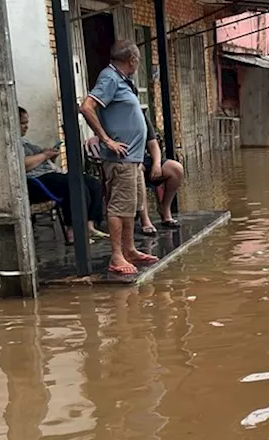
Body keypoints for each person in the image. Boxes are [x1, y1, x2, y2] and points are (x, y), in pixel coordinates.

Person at [79, 39, 157, 276]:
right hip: (120, 159)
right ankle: (116, 256)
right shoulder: (110, 78)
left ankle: (130, 249)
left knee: (131, 206)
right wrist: (106, 139)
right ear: (132, 60)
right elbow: (86, 107)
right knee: (119, 207)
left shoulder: (122, 81)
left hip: (131, 158)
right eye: (138, 61)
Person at [19, 107, 107, 245]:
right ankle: (73, 231)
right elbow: (22, 165)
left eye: (27, 123)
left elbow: (41, 160)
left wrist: (49, 156)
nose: (26, 127)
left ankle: (90, 225)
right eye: (23, 123)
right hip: (36, 181)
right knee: (74, 186)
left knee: (92, 182)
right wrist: (43, 155)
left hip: (49, 173)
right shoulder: (12, 146)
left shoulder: (27, 142)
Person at [138, 121, 184, 234]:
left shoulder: (140, 117)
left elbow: (153, 145)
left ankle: (165, 209)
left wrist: (157, 164)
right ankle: (145, 220)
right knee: (137, 172)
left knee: (176, 169)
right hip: (128, 162)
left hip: (144, 159)